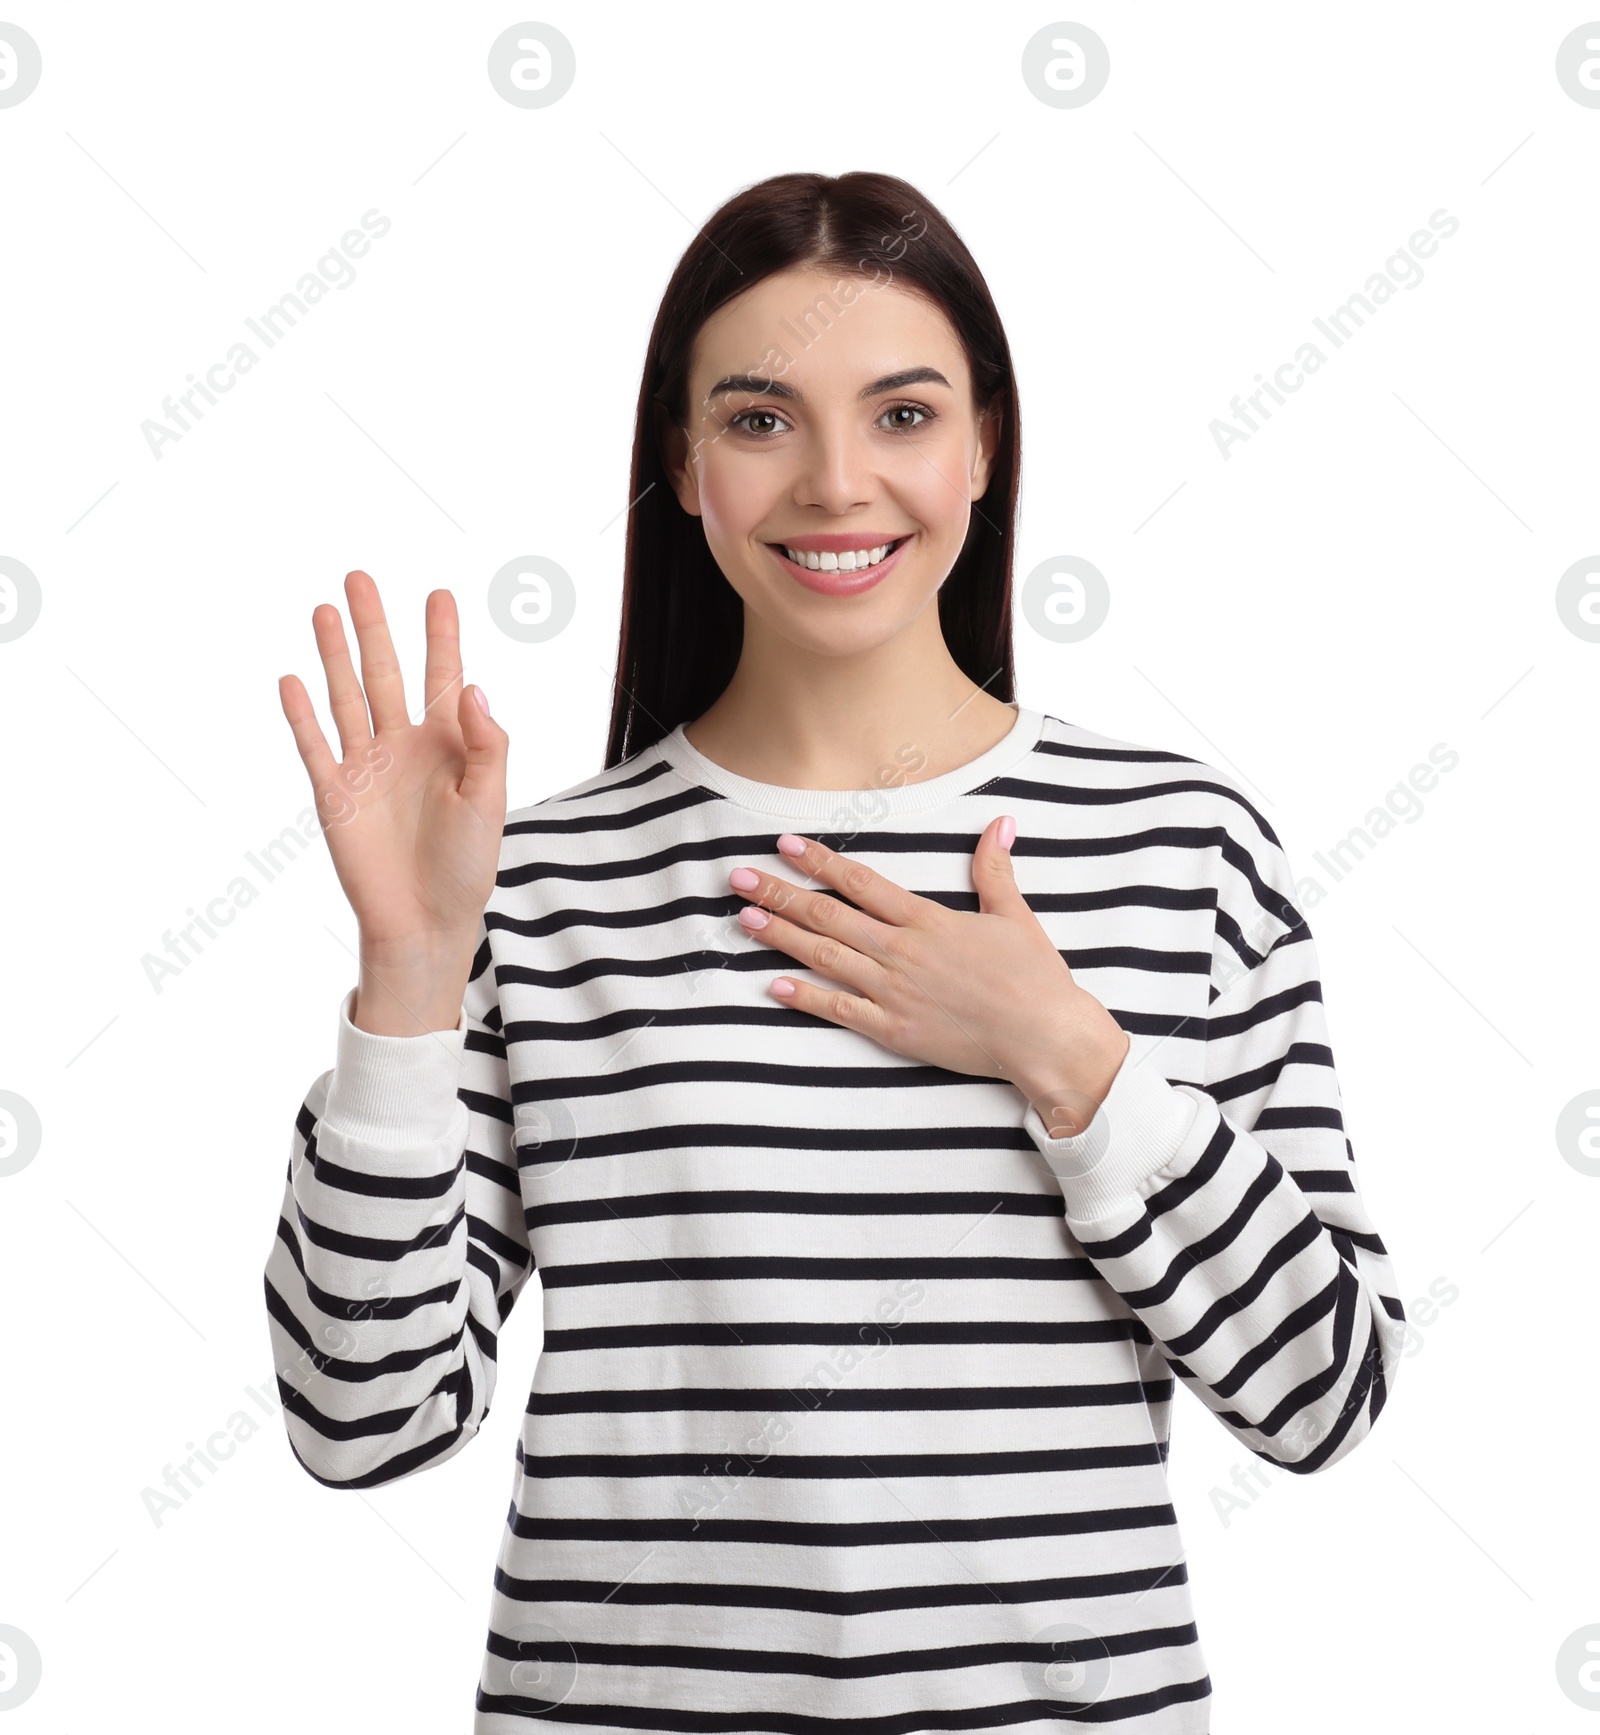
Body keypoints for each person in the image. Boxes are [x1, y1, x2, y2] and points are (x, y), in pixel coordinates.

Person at [263, 170, 1404, 1733]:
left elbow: (1325, 1397)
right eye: (759, 420)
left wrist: (1068, 1057)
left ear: (986, 444)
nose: (836, 483)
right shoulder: (538, 883)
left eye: (905, 413)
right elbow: (360, 1424)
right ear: (682, 460)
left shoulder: (1181, 845)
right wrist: (407, 975)